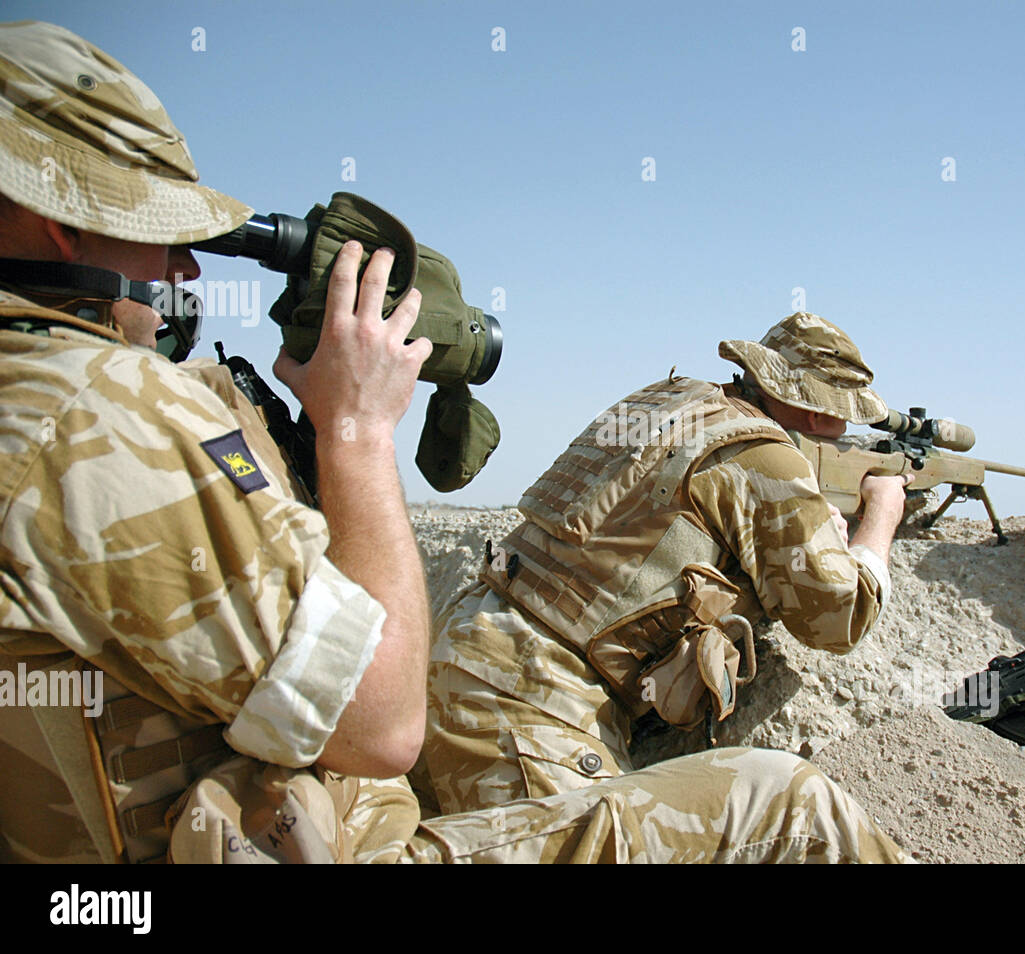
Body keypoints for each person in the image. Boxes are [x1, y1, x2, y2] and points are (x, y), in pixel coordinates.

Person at [0, 20, 908, 864]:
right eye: (162, 233)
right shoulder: (90, 410)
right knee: (790, 804)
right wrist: (878, 518)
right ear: (61, 221)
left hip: (430, 710)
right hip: (461, 750)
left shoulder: (678, 401)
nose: (186, 267)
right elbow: (378, 720)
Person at [425, 311, 913, 813]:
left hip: (462, 641)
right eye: (845, 419)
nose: (843, 434)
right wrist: (882, 513)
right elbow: (839, 620)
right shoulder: (763, 454)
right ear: (817, 414)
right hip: (529, 697)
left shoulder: (674, 401)